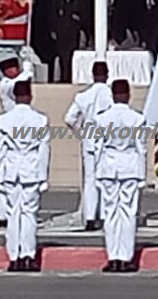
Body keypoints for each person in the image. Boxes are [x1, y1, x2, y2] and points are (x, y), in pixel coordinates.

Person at [0, 81, 51, 272]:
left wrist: (0, 178)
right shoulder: (40, 119)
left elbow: (0, 152)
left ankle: (14, 257)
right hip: (31, 168)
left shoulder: (3, 120)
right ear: (30, 96)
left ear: (14, 97)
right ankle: (28, 255)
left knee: (13, 214)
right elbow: (43, 150)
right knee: (29, 215)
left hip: (11, 169)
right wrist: (43, 177)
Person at [94, 79, 147, 273]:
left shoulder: (102, 119)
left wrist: (97, 173)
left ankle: (113, 256)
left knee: (110, 213)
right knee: (128, 213)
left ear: (112, 95)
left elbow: (97, 148)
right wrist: (142, 175)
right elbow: (141, 149)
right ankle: (126, 256)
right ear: (128, 95)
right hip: (130, 167)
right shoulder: (137, 118)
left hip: (109, 166)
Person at [65, 61, 113, 231]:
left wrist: (81, 132)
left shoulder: (83, 96)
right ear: (107, 74)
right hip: (106, 140)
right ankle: (105, 215)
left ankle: (90, 216)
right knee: (107, 180)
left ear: (92, 75)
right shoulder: (110, 95)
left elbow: (69, 118)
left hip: (89, 139)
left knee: (90, 180)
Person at [0, 56, 34, 227]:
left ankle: (6, 213)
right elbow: (21, 83)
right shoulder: (5, 85)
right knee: (5, 173)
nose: (15, 70)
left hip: (20, 122)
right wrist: (28, 67)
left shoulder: (16, 80)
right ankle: (3, 213)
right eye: (12, 68)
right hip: (9, 125)